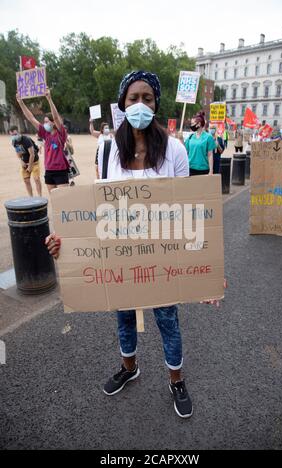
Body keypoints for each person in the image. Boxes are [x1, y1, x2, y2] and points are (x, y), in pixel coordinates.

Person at [46, 70, 223, 419]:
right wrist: (62, 240)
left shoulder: (174, 149)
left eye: (147, 98)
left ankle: (176, 379)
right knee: (123, 315)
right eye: (133, 98)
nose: (140, 104)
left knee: (167, 319)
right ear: (122, 103)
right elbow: (94, 208)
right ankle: (130, 367)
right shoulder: (109, 149)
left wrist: (205, 270)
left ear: (156, 104)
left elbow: (186, 210)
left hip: (162, 256)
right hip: (120, 255)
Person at [16, 87, 69, 193]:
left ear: (53, 123)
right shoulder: (45, 134)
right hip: (49, 170)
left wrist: (49, 99)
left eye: (47, 121)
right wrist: (21, 102)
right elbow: (31, 118)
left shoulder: (60, 133)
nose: (44, 124)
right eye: (44, 122)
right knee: (54, 200)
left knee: (63, 200)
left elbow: (56, 117)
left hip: (61, 171)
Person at [9, 125, 42, 197]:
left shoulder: (26, 139)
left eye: (15, 134)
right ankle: (31, 197)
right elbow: (18, 153)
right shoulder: (14, 142)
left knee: (36, 179)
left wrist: (30, 166)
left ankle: (40, 197)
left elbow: (32, 154)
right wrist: (21, 161)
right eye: (12, 135)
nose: (13, 136)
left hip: (34, 162)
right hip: (25, 162)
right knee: (26, 180)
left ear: (18, 132)